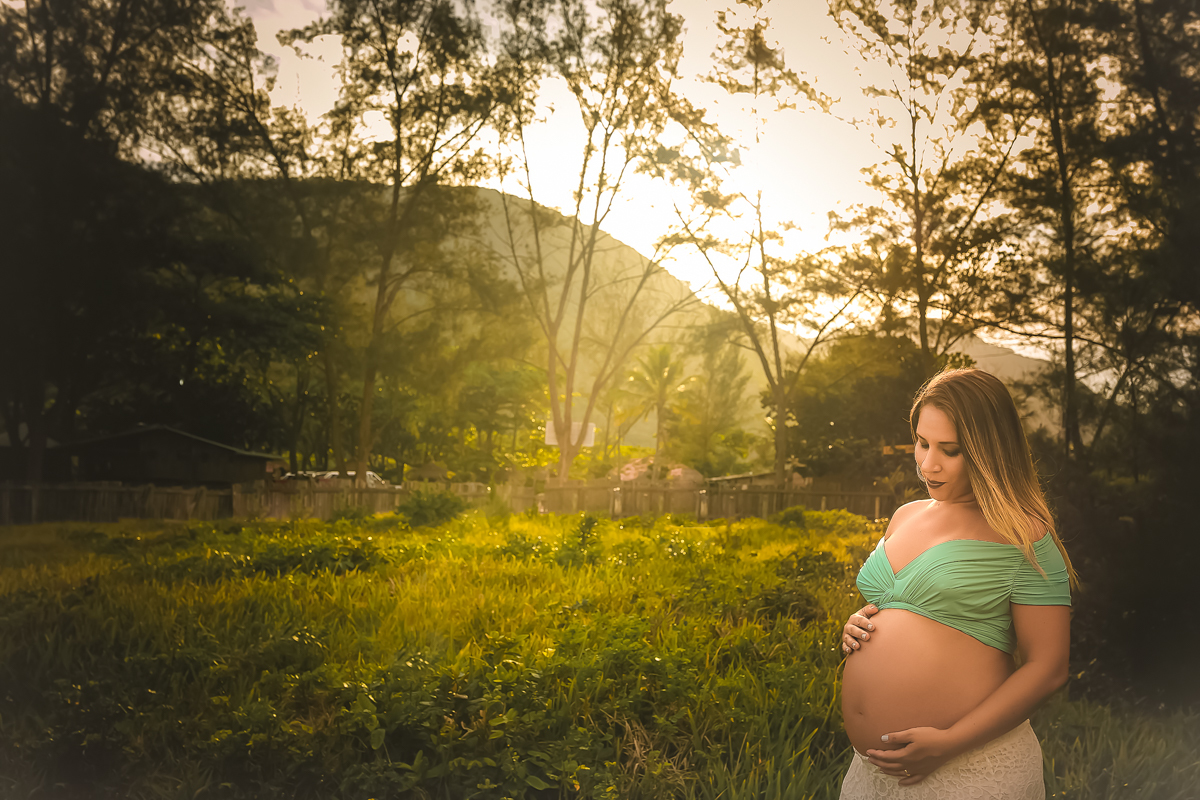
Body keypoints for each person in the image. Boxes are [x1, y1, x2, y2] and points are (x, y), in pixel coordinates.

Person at [837, 368, 1078, 798]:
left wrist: (951, 742)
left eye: (950, 450)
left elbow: (1049, 668)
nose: (928, 463)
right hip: (871, 776)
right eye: (923, 442)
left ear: (990, 452)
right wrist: (858, 622)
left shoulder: (1025, 536)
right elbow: (901, 608)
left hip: (968, 769)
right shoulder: (905, 515)